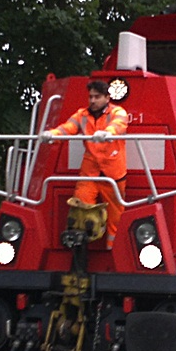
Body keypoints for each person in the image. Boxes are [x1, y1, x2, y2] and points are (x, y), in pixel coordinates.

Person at [40, 80, 129, 249]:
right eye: (90, 97)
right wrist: (51, 134)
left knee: (116, 217)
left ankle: (113, 250)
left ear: (107, 97)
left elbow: (119, 124)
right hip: (90, 171)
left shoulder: (118, 112)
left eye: (97, 97)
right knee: (80, 207)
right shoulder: (82, 115)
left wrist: (107, 133)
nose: (93, 101)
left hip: (113, 173)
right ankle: (80, 249)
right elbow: (68, 128)